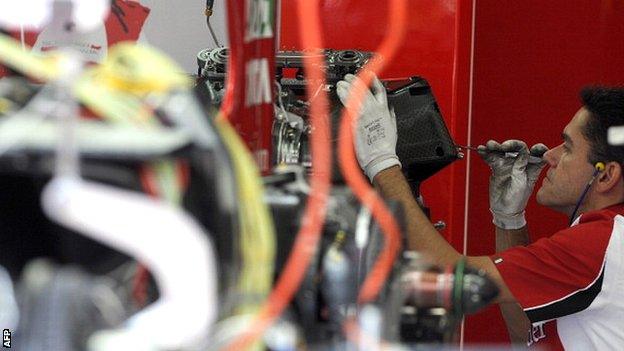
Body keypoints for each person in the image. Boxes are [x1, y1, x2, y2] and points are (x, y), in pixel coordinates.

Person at [336, 73, 624, 350]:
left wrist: (381, 162)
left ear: (605, 176)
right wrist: (509, 219)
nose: (551, 155)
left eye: (569, 148)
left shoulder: (600, 244)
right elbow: (530, 339)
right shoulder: (605, 240)